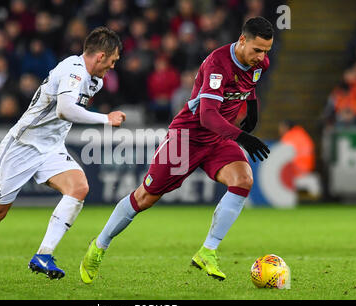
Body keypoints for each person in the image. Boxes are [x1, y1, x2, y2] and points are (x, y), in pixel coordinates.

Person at [80, 17, 273, 283]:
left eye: (266, 51)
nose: (262, 57)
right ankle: (99, 246)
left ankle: (208, 250)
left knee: (243, 180)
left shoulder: (260, 63)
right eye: (257, 50)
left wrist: (251, 107)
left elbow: (249, 85)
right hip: (187, 137)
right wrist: (243, 136)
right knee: (146, 197)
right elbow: (207, 116)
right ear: (242, 41)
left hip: (217, 140)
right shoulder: (218, 65)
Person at [0, 27, 126, 280]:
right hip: (23, 145)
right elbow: (65, 110)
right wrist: (106, 119)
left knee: (79, 187)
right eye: (113, 60)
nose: (113, 67)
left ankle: (43, 255)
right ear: (101, 56)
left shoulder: (95, 80)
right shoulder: (74, 70)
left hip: (51, 147)